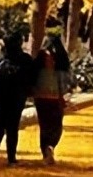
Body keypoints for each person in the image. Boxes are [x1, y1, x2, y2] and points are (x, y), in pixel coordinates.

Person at [0, 34, 32, 165]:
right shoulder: (25, 59)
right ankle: (11, 157)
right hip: (16, 98)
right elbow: (32, 78)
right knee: (12, 126)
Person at [31, 35, 73, 164]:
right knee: (56, 126)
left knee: (44, 125)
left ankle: (45, 152)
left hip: (40, 98)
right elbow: (67, 81)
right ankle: (50, 146)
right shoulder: (60, 59)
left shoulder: (39, 59)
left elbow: (32, 77)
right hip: (55, 98)